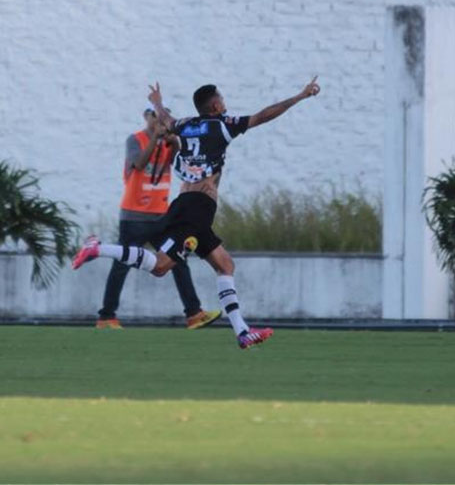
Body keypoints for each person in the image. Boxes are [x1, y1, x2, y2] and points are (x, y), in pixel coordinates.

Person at [73, 76, 321, 349]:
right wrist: (300, 96)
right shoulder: (223, 125)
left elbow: (166, 119)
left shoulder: (186, 124)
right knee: (160, 267)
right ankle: (98, 248)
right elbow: (263, 115)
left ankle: (242, 332)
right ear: (215, 106)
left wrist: (157, 102)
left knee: (225, 265)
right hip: (196, 208)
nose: (225, 103)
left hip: (192, 206)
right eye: (222, 99)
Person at [96, 107, 221, 330]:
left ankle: (194, 314)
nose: (160, 123)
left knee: (178, 261)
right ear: (147, 118)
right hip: (134, 214)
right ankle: (106, 317)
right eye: (156, 118)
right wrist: (155, 137)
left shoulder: (168, 142)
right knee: (122, 265)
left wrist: (175, 142)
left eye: (163, 119)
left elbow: (180, 161)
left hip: (161, 215)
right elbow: (140, 164)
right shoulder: (135, 140)